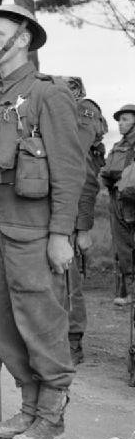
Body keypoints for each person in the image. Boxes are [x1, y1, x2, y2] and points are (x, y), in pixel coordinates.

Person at [0, 4, 84, 439]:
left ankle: (51, 417)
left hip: (33, 227)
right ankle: (29, 407)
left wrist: (61, 235)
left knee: (40, 317)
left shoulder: (47, 95)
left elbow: (70, 173)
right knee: (2, 317)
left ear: (25, 39)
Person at [54, 76, 107, 363]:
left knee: (71, 286)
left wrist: (83, 228)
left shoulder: (82, 121)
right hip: (57, 217)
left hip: (73, 221)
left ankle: (73, 342)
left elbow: (86, 184)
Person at [101, 103, 135, 307]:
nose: (121, 124)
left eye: (125, 119)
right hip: (117, 199)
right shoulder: (117, 146)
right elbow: (106, 171)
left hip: (132, 199)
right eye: (120, 120)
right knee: (122, 247)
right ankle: (126, 292)